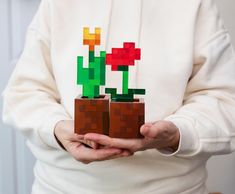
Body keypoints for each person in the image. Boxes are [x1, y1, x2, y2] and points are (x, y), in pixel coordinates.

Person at [2, 0, 235, 193]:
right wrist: (56, 128)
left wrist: (177, 132)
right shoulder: (57, 4)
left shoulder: (195, 5)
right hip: (61, 186)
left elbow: (224, 101)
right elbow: (24, 93)